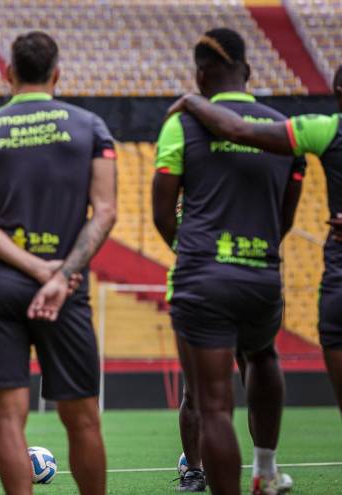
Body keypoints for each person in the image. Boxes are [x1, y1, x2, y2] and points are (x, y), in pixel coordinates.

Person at [0, 31, 117, 495]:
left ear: (8, 74)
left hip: (1, 286)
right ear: (57, 75)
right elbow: (105, 212)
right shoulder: (91, 127)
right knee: (82, 417)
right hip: (65, 288)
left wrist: (31, 267)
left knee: (8, 416)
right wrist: (58, 273)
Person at [152, 28, 303, 495]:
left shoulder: (181, 124)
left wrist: (196, 253)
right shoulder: (284, 126)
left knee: (209, 402)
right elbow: (286, 215)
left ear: (199, 76)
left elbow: (161, 215)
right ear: (249, 71)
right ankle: (266, 469)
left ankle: (199, 476)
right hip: (260, 274)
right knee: (263, 355)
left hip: (202, 279)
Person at [167, 63, 342, 425]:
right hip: (237, 277)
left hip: (229, 278)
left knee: (221, 386)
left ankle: (256, 466)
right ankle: (235, 467)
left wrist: (192, 103)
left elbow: (238, 130)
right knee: (214, 385)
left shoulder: (323, 129)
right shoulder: (320, 131)